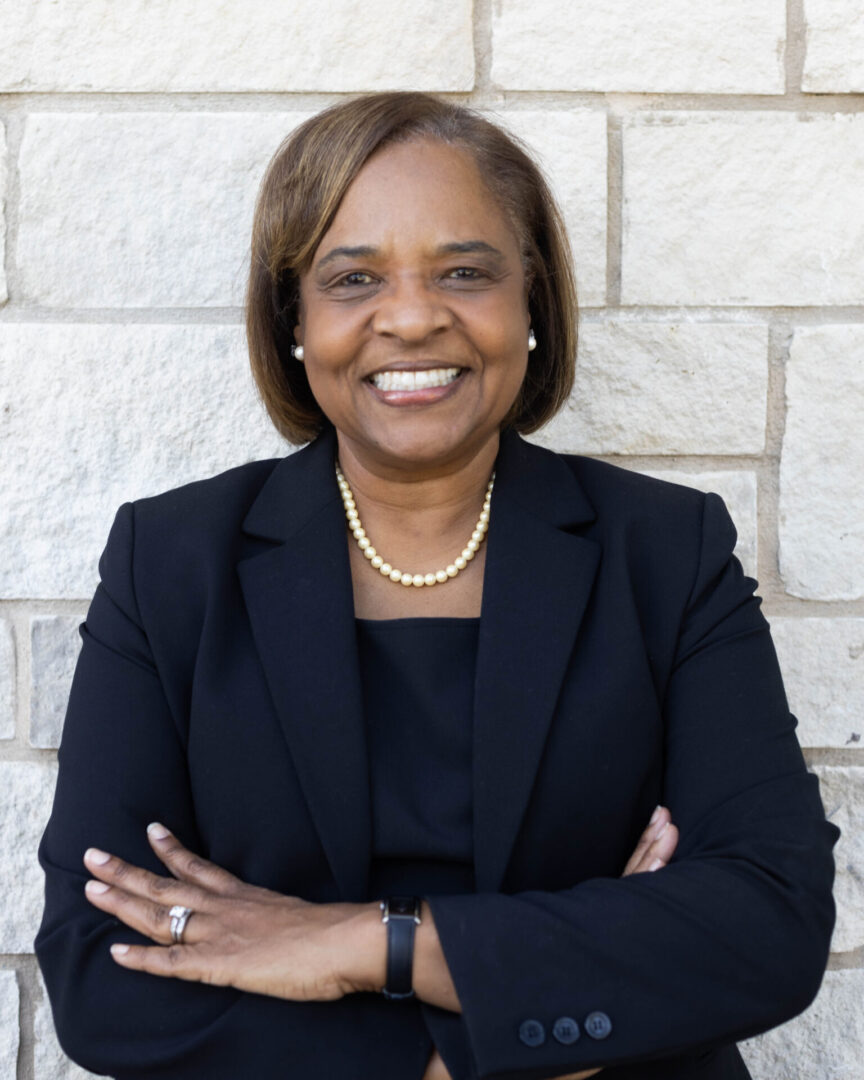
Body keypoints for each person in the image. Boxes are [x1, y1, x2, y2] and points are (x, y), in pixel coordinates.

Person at [36, 92, 838, 1080]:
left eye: (465, 271)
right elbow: (99, 971)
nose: (412, 317)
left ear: (531, 303)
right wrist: (514, 1031)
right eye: (352, 278)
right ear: (294, 320)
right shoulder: (172, 563)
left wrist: (368, 943)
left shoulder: (666, 554)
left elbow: (768, 921)